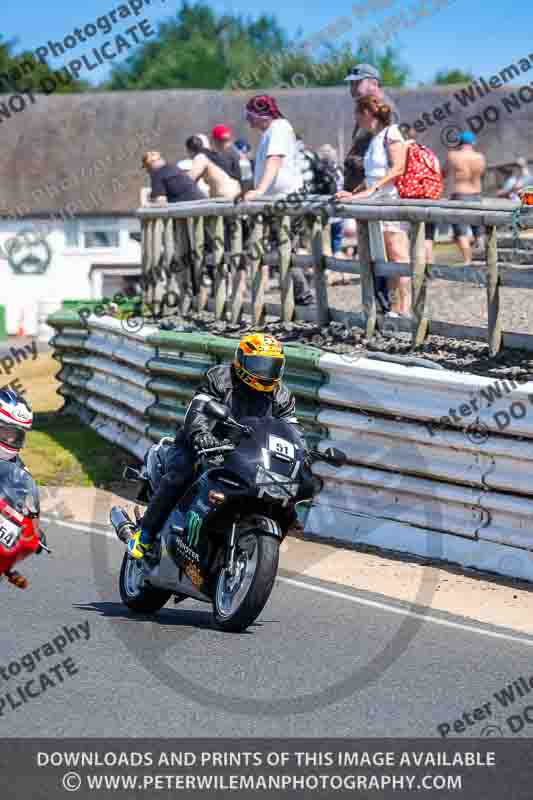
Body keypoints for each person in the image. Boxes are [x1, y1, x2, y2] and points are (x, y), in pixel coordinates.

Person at [128, 334, 301, 559]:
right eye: (259, 365)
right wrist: (201, 435)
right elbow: (198, 410)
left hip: (246, 455)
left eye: (272, 366)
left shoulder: (282, 396)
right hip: (201, 446)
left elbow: (292, 432)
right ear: (241, 361)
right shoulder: (220, 378)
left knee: (283, 500)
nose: (265, 373)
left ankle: (252, 549)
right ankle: (145, 534)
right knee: (181, 474)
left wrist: (303, 454)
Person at [336, 95, 411, 317]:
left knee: (398, 255)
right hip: (377, 201)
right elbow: (373, 175)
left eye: (357, 113)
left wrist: (372, 190)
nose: (356, 118)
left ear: (367, 113)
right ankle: (392, 307)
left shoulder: (392, 133)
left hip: (390, 201)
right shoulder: (375, 138)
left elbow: (398, 169)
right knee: (385, 256)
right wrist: (354, 193)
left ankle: (404, 307)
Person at [243, 94, 313, 305]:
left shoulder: (279, 128)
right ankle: (297, 298)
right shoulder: (271, 131)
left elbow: (274, 160)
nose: (248, 121)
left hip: (286, 200)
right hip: (278, 200)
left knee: (284, 248)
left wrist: (260, 190)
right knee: (282, 249)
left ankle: (303, 296)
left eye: (250, 115)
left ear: (262, 115)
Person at [343, 63, 400, 312]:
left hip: (379, 196)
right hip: (365, 194)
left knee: (386, 253)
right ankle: (377, 307)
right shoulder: (365, 111)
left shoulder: (385, 113)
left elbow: (392, 160)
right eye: (351, 83)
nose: (352, 87)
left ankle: (388, 308)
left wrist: (357, 166)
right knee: (372, 253)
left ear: (374, 83)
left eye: (357, 82)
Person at [0, 388, 37, 588]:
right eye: (7, 432)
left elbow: (26, 500)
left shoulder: (18, 468)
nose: (11, 439)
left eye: (17, 434)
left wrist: (32, 527)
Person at [443, 131, 487, 264]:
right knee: (478, 229)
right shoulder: (480, 157)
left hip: (460, 194)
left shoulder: (453, 155)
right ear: (473, 142)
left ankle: (468, 260)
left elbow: (444, 173)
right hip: (476, 194)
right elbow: (482, 174)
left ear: (460, 142)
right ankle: (483, 258)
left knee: (460, 231)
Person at [185, 135, 241, 200]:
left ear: (189, 151)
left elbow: (190, 179)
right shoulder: (212, 154)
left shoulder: (200, 157)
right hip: (237, 192)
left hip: (226, 198)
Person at [317, 144, 345, 258]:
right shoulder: (337, 170)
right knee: (333, 242)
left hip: (333, 209)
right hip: (333, 209)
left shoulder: (326, 171)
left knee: (331, 241)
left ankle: (333, 258)